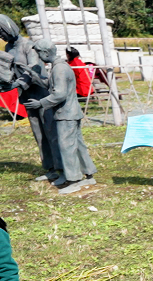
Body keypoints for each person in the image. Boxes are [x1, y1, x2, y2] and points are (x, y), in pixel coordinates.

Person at [24, 39, 97, 195]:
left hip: (66, 114)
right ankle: (89, 174)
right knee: (77, 145)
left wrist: (40, 103)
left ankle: (74, 180)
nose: (38, 57)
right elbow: (55, 88)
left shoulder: (60, 69)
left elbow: (60, 94)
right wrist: (38, 79)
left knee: (67, 147)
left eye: (39, 54)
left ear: (45, 53)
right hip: (69, 112)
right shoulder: (59, 67)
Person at [0, 14, 62, 183]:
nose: (1, 36)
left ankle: (63, 168)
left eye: (1, 32)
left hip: (41, 93)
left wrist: (17, 83)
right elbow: (10, 69)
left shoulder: (28, 45)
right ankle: (50, 168)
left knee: (51, 132)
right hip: (26, 95)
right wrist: (7, 81)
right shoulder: (8, 48)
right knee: (38, 134)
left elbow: (31, 70)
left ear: (8, 27)